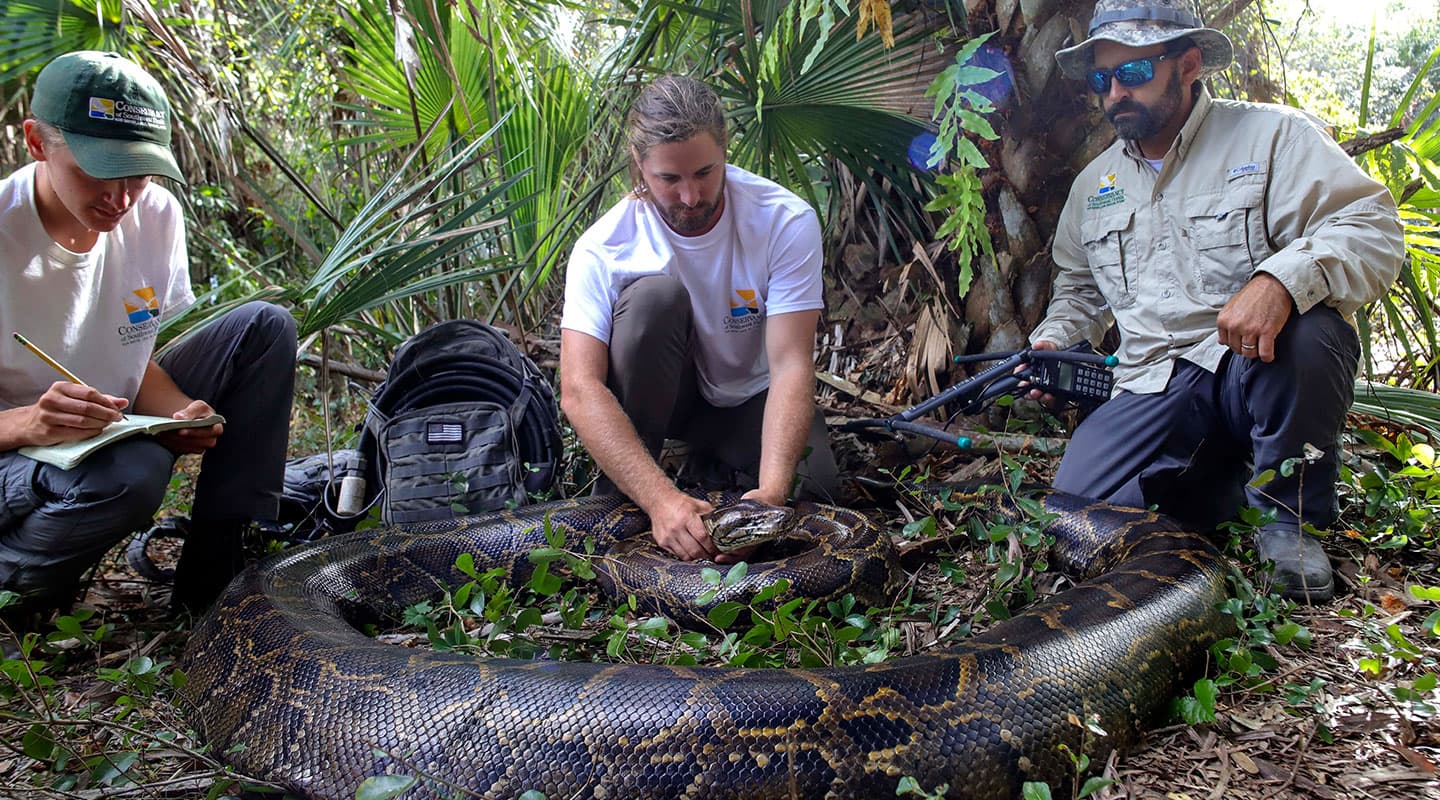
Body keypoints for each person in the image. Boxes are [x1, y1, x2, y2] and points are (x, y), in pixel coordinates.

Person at [1029, 0, 1404, 602]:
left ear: (1189, 64)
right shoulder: (1093, 187)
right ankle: (1222, 491)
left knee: (1312, 333)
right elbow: (1078, 291)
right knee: (1071, 515)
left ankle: (1289, 519)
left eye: (1133, 73)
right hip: (1151, 384)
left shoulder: (1271, 134)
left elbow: (1371, 227)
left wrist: (1281, 281)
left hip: (1248, 363)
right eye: (1102, 79)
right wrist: (1054, 340)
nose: (1114, 94)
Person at [0, 51, 297, 628]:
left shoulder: (153, 215)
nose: (120, 197)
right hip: (18, 453)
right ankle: (16, 598)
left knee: (264, 327)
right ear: (37, 143)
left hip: (99, 428)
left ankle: (218, 571)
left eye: (137, 171)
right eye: (97, 169)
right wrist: (28, 423)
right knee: (132, 471)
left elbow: (131, 356)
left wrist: (181, 412)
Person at [559, 75, 839, 562]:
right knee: (653, 302)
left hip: (750, 398)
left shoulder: (784, 220)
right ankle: (622, 499)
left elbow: (792, 365)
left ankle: (713, 465)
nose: (690, 196)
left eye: (705, 173)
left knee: (817, 493)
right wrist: (659, 500)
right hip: (667, 404)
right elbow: (579, 388)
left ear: (725, 151)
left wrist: (770, 497)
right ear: (640, 167)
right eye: (669, 179)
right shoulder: (603, 247)